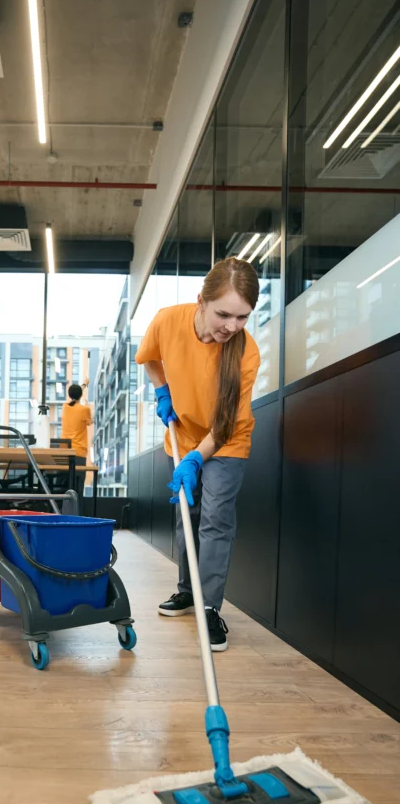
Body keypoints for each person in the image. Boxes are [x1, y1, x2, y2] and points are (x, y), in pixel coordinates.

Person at [135, 257, 261, 651]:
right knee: (186, 515)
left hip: (227, 441)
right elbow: (150, 359)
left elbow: (225, 424)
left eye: (242, 317)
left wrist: (195, 459)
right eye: (224, 314)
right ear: (201, 302)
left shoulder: (245, 352)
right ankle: (187, 591)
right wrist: (162, 390)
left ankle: (209, 608)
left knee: (215, 518)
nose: (232, 327)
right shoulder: (168, 320)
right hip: (185, 434)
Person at [60, 382, 92, 498]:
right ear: (81, 395)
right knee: (78, 488)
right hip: (79, 452)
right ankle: (76, 511)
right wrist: (87, 404)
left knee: (65, 486)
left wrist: (83, 385)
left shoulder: (65, 407)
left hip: (64, 453)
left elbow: (74, 397)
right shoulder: (85, 410)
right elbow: (90, 422)